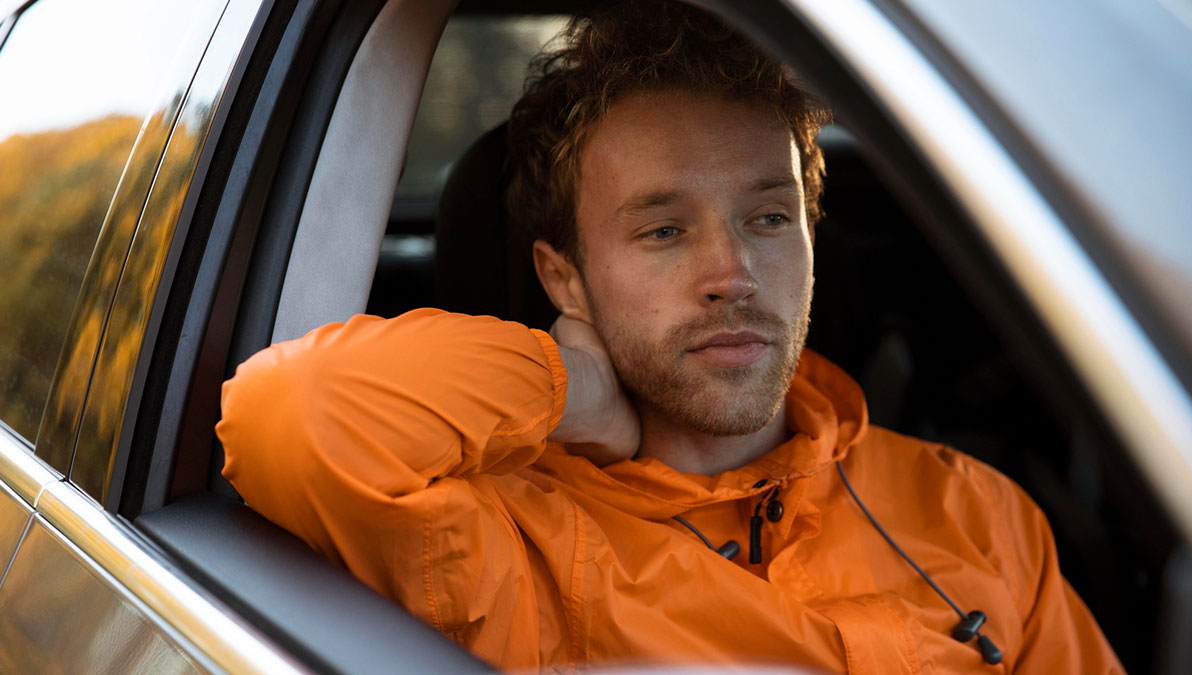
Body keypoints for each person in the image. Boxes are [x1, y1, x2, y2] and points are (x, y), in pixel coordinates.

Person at [217, 2, 1124, 672]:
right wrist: (570, 391)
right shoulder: (512, 539)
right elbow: (288, 412)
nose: (731, 271)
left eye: (768, 218)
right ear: (562, 276)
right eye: (664, 230)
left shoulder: (973, 510)